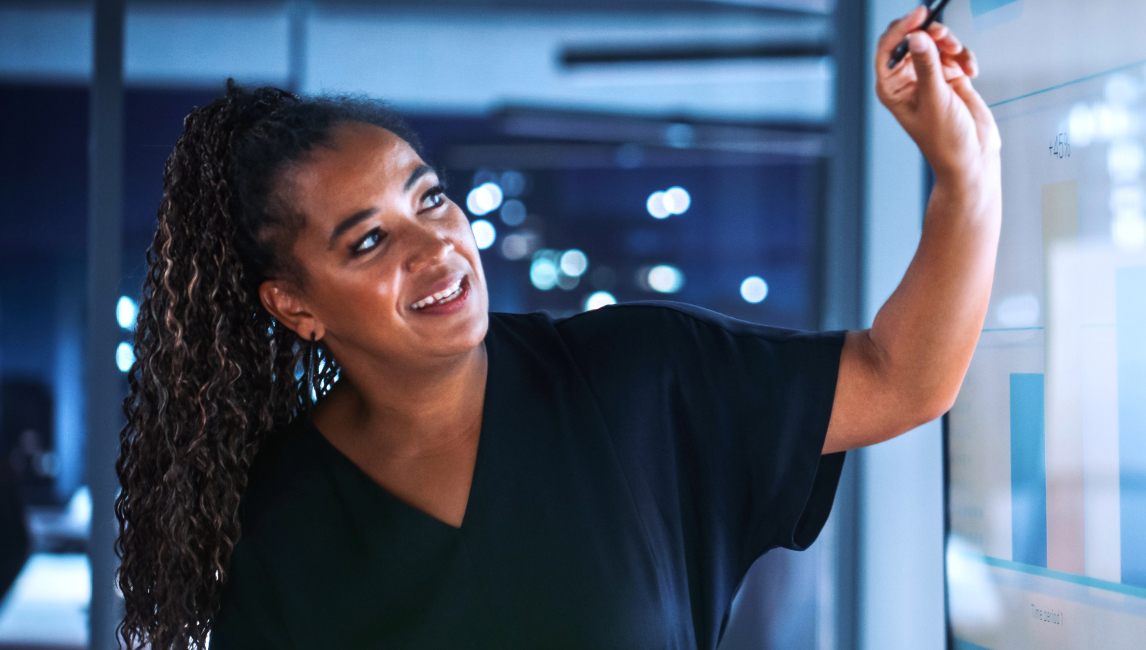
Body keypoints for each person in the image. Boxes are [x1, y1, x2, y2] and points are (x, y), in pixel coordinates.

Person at [114, 7, 999, 650]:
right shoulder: (284, 517)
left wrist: (965, 176)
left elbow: (902, 378)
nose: (436, 247)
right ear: (295, 306)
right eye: (371, 239)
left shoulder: (639, 378)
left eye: (430, 198)